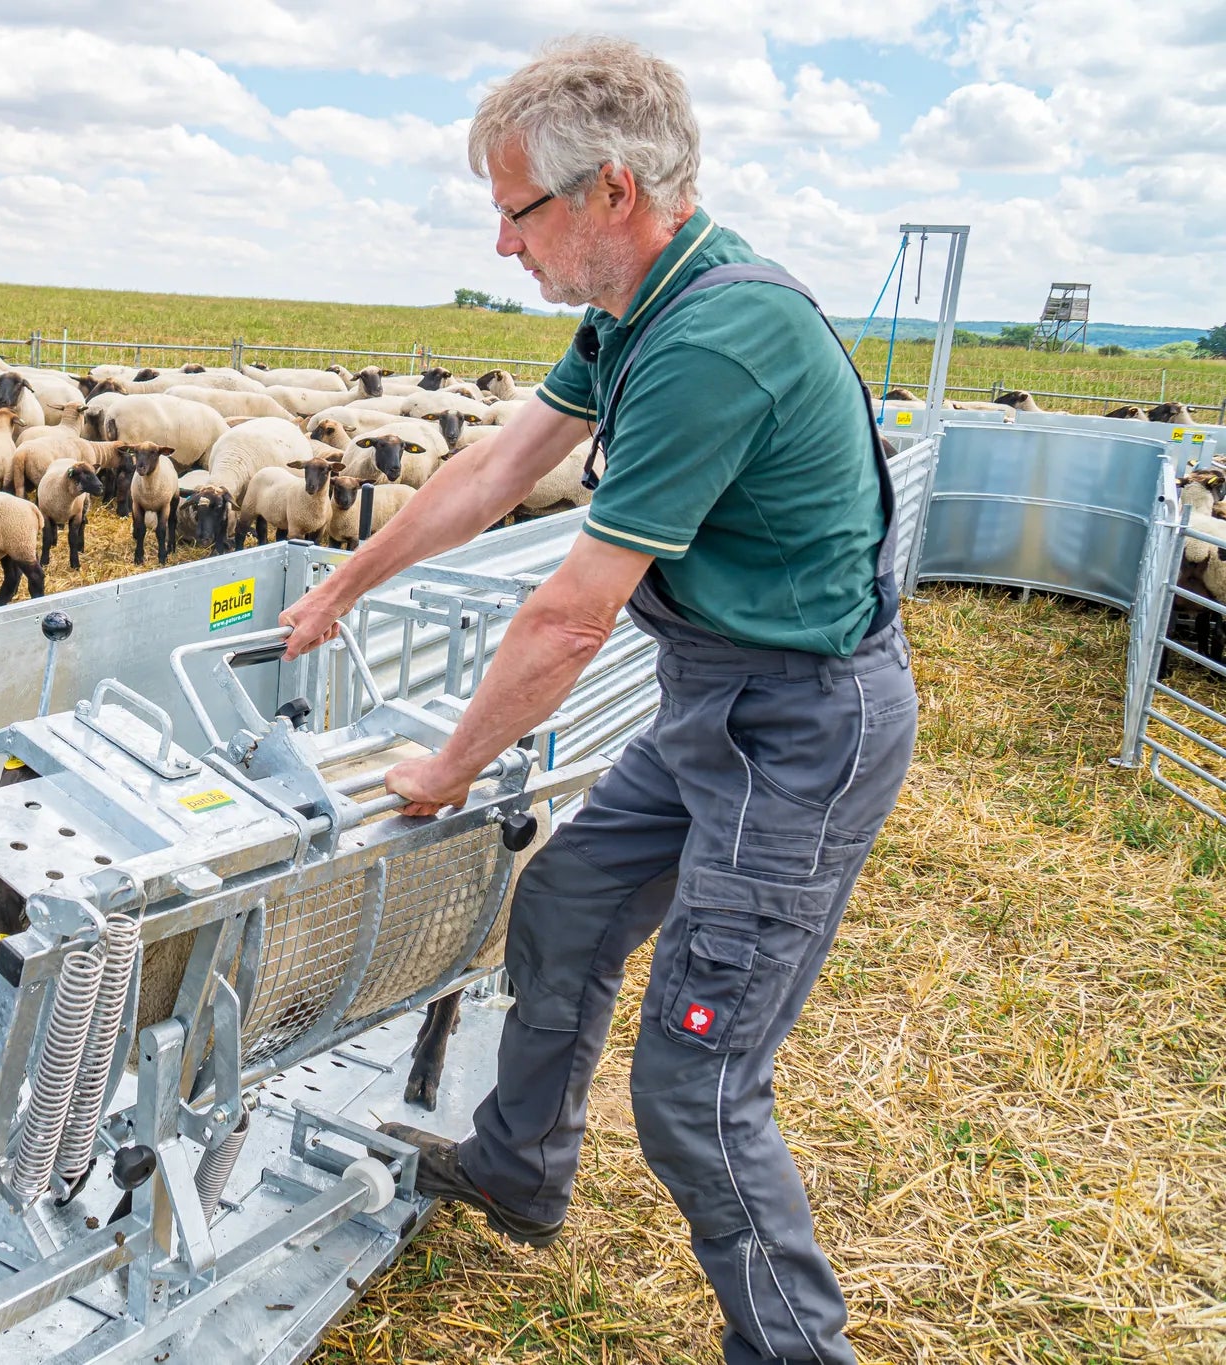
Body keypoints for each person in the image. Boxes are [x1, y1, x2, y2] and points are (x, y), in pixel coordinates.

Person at [278, 36, 917, 1365]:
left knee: (697, 1083)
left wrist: (451, 763)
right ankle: (519, 1165)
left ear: (611, 192)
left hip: (797, 730)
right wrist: (345, 582)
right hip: (711, 703)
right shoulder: (633, 309)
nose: (502, 243)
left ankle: (797, 1351)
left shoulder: (717, 339)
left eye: (518, 210)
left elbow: (571, 618)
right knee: (566, 905)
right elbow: (492, 475)